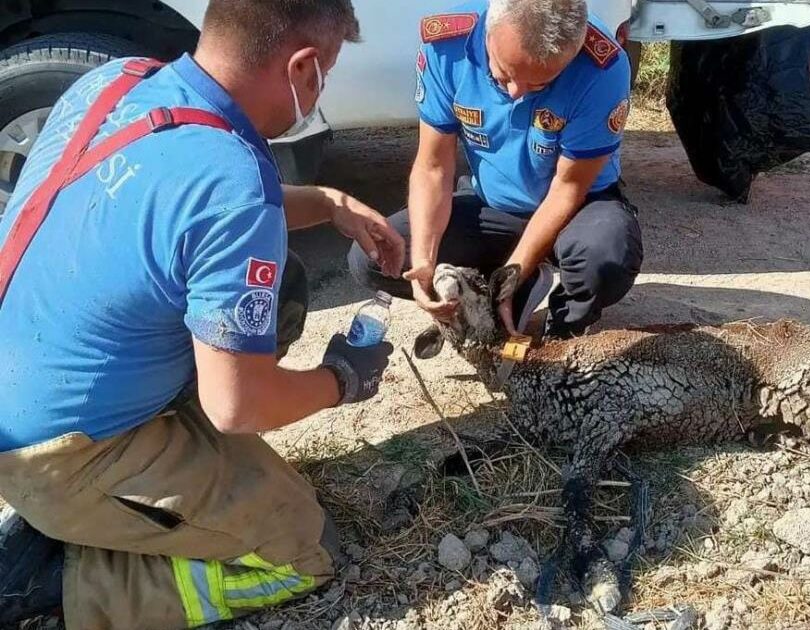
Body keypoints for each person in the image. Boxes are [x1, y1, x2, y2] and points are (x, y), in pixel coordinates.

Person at [0, 1, 405, 628]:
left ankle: (113, 504)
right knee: (305, 552)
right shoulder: (230, 184)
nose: (319, 88)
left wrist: (329, 203)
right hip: (61, 456)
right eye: (323, 71)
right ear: (301, 69)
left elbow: (186, 217)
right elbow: (235, 408)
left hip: (26, 391)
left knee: (281, 291)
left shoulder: (121, 80)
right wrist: (343, 380)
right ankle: (54, 585)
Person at [348, 0, 643, 339]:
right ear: (488, 32)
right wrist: (425, 261)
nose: (516, 92)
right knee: (375, 258)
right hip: (494, 204)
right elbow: (433, 167)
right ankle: (500, 285)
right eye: (504, 73)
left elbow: (568, 188)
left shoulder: (602, 68)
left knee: (606, 261)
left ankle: (562, 331)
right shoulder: (447, 46)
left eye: (539, 85)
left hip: (579, 207)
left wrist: (514, 275)